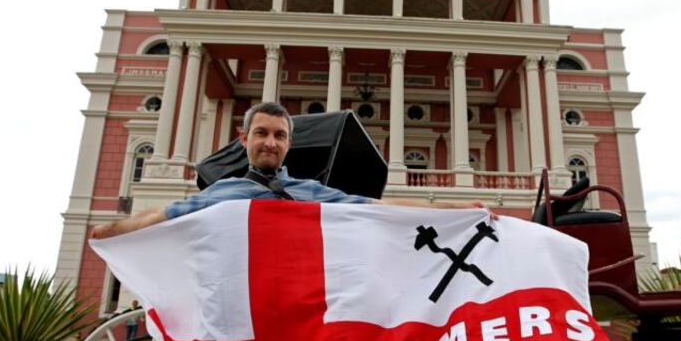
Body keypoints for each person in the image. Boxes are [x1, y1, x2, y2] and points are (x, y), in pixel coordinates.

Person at [90, 102, 488, 239]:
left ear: (288, 144)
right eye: (261, 133)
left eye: (279, 135)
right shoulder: (224, 191)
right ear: (244, 139)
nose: (270, 142)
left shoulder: (309, 190)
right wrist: (112, 230)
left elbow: (377, 206)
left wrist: (455, 209)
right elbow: (162, 214)